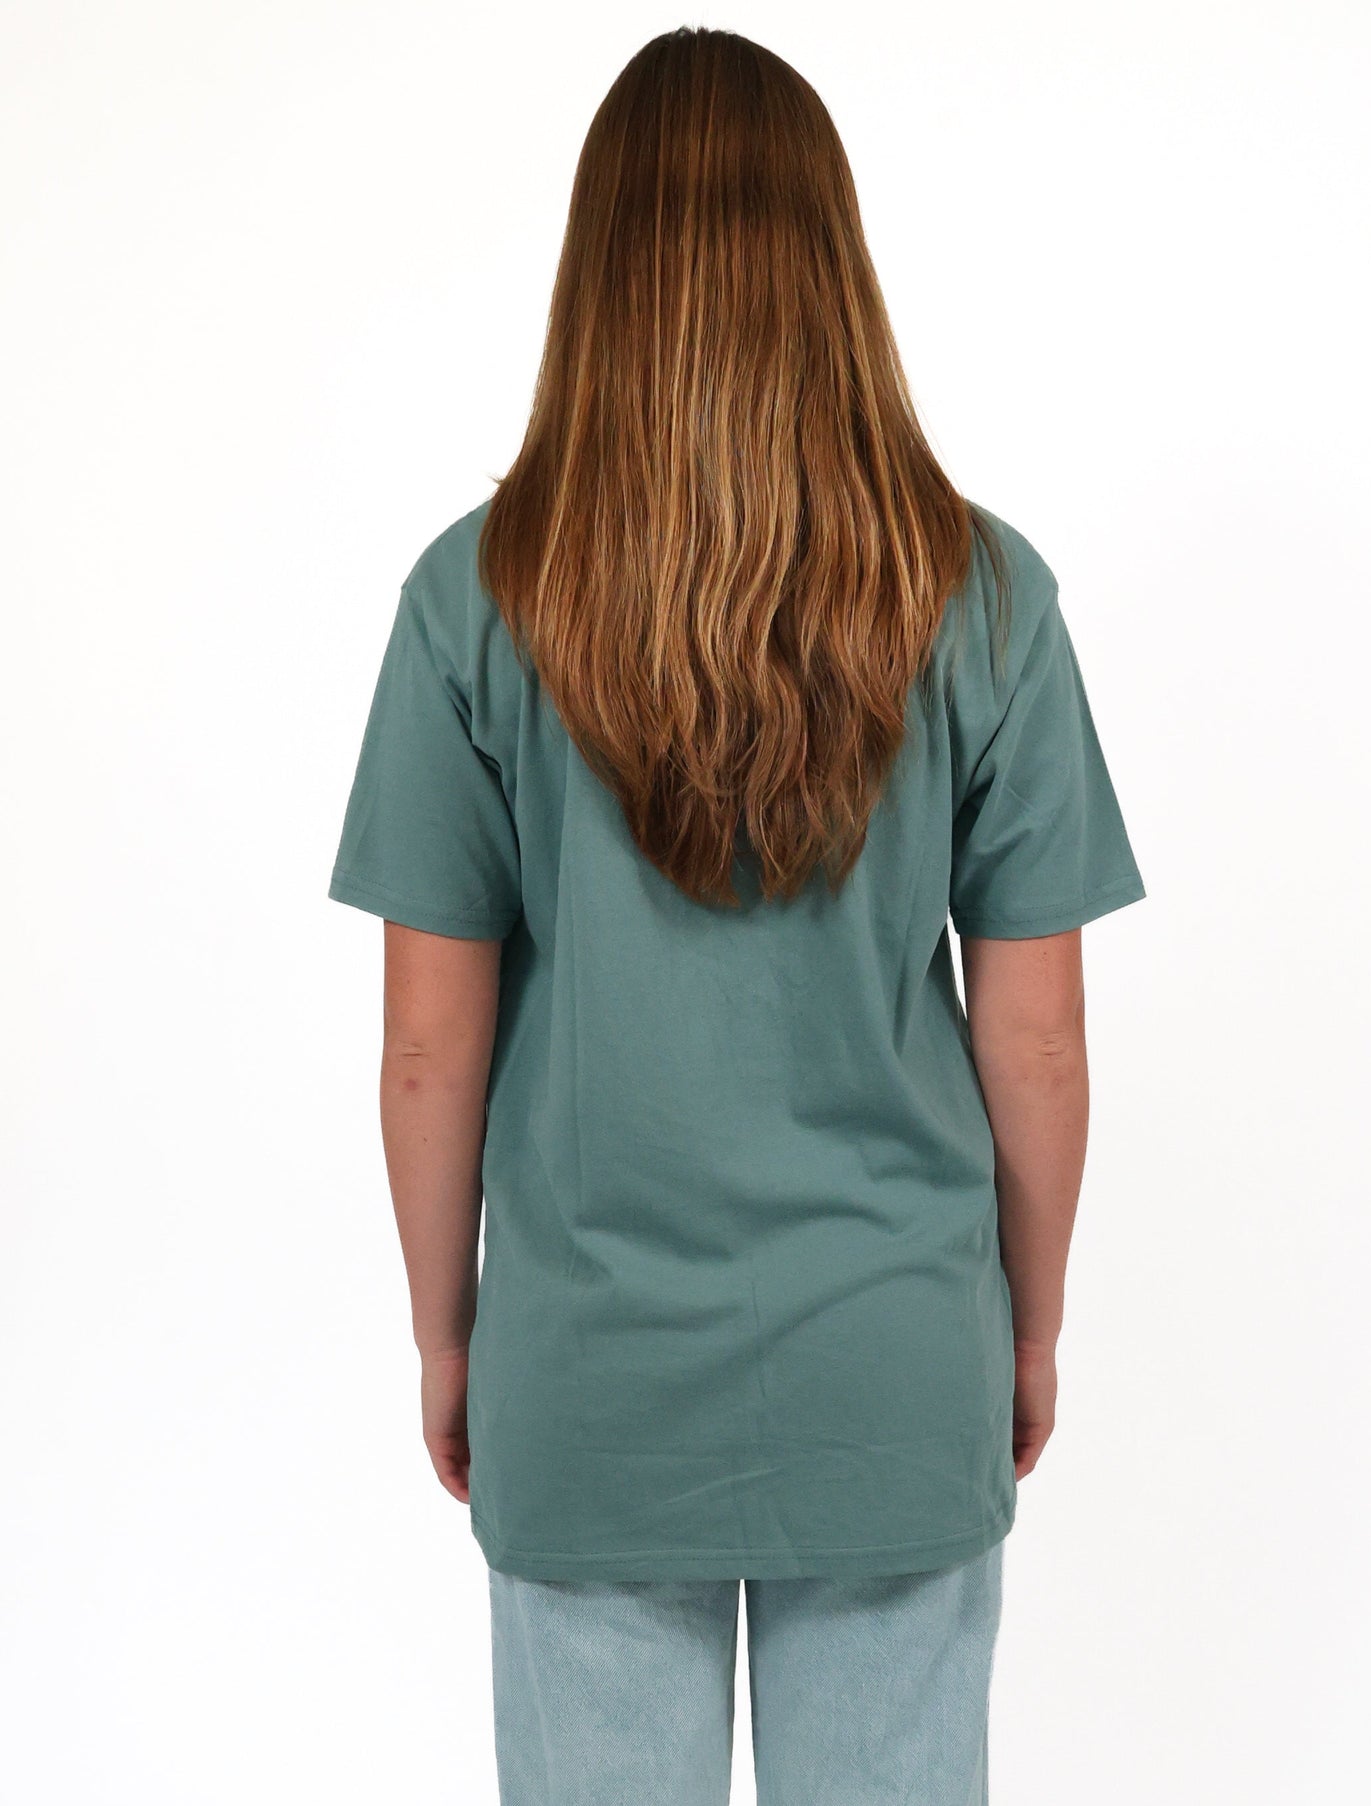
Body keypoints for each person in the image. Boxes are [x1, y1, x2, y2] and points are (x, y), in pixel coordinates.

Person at [328, 25, 1145, 1806]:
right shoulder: (984, 597)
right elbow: (1038, 1039)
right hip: (892, 1358)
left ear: (598, 272)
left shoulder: (473, 598)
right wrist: (1026, 1326)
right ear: (829, 266)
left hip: (589, 1374)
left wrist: (449, 1336)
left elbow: (424, 1049)